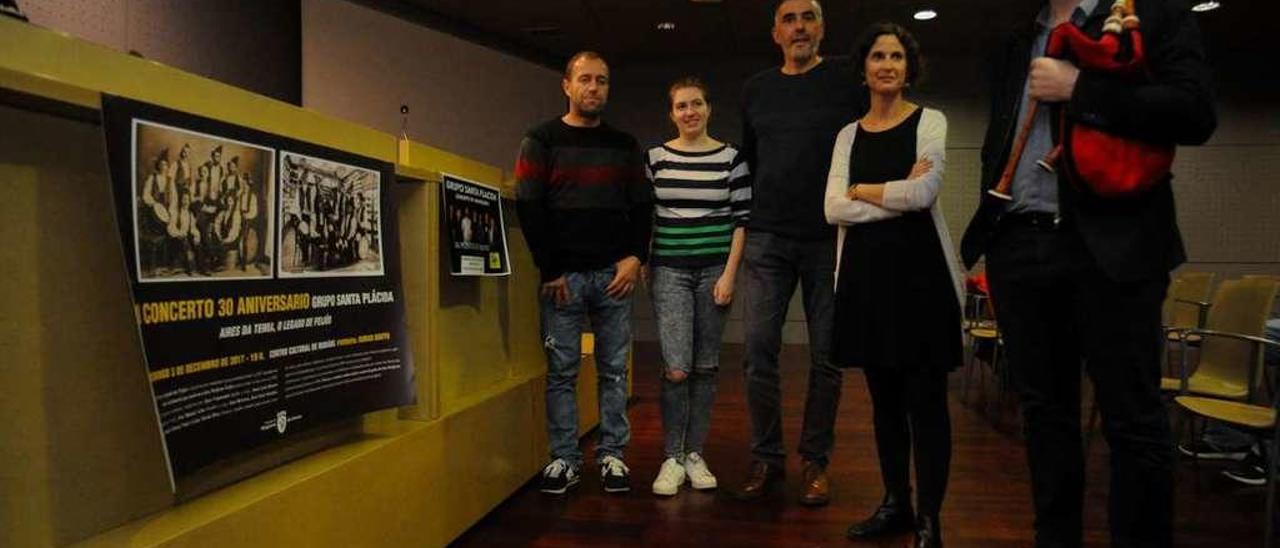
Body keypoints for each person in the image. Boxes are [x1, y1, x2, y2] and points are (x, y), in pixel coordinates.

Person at [957, 0, 1215, 546]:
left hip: (1113, 247)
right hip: (1020, 246)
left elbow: (1195, 113)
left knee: (1133, 421)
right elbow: (1003, 137)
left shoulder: (1154, 14)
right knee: (1045, 421)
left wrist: (1082, 89)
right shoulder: (1015, 36)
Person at [824, 23, 961, 548]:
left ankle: (930, 518)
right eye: (878, 55)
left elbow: (924, 193)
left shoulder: (932, 121)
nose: (887, 64)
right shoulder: (846, 135)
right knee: (884, 405)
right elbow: (832, 207)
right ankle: (895, 504)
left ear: (909, 67)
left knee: (926, 405)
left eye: (897, 56)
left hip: (921, 280)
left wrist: (864, 190)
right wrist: (890, 193)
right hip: (865, 282)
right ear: (864, 68)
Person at [735, 0, 865, 506]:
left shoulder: (846, 83)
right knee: (757, 352)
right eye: (789, 20)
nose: (799, 28)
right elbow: (749, 161)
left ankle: (815, 460)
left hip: (829, 237)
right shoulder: (756, 90)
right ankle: (767, 458)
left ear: (822, 27)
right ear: (775, 33)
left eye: (808, 18)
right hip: (768, 237)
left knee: (827, 357)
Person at [515, 51, 653, 495]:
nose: (594, 88)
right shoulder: (541, 138)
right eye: (586, 80)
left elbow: (642, 206)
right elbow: (529, 205)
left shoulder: (624, 145)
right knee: (562, 374)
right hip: (564, 282)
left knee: (614, 372)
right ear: (567, 85)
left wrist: (636, 257)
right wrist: (550, 269)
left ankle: (613, 456)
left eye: (603, 81)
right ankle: (565, 459)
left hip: (615, 277)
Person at [644, 77, 751, 496]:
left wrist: (729, 275)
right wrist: (645, 259)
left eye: (697, 104)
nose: (690, 112)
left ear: (709, 108)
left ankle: (694, 453)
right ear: (672, 114)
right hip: (669, 271)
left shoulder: (731, 158)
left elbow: (742, 220)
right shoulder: (655, 158)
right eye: (681, 106)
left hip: (714, 273)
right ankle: (671, 456)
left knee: (705, 368)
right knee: (676, 367)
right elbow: (646, 214)